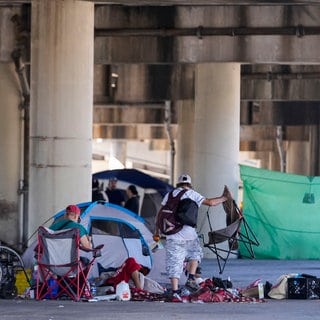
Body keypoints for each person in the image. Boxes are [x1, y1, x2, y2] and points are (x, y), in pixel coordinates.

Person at [154, 174, 227, 302]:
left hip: (173, 234)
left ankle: (175, 291)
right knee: (196, 254)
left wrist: (157, 231)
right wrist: (225, 197)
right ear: (189, 184)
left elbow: (160, 214)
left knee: (174, 262)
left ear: (178, 184)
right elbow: (211, 203)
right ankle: (191, 278)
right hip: (190, 234)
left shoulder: (169, 195)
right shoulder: (192, 194)